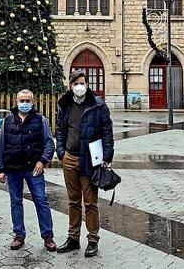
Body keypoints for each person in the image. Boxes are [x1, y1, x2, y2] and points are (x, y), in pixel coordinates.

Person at [55, 70, 114, 257]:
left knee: (90, 202)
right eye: (75, 83)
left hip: (90, 159)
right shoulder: (64, 105)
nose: (79, 86)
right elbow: (60, 130)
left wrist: (107, 156)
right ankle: (73, 238)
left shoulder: (98, 105)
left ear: (87, 84)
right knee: (73, 201)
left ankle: (93, 239)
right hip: (70, 158)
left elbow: (107, 132)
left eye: (82, 82)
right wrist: (61, 153)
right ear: (70, 86)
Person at [0, 89, 57, 251]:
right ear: (16, 101)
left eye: (27, 101)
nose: (24, 104)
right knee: (15, 202)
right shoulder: (8, 120)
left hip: (33, 168)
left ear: (33, 102)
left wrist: (42, 161)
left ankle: (48, 236)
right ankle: (18, 235)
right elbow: (1, 145)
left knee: (41, 200)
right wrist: (0, 169)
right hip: (13, 168)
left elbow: (49, 143)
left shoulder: (40, 119)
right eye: (21, 101)